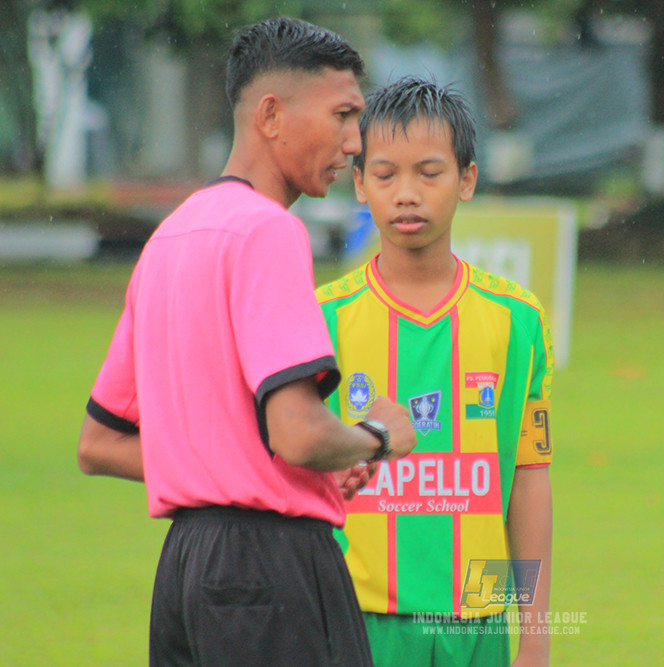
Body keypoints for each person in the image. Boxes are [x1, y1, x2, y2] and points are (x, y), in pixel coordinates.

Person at [77, 17, 417, 666]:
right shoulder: (268, 232)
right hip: (272, 568)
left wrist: (236, 464)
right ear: (270, 115)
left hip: (185, 572)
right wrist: (378, 436)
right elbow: (298, 433)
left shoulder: (170, 238)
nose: (355, 142)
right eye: (343, 115)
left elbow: (100, 442)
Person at [315, 76, 554, 666]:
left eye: (429, 172)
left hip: (478, 623)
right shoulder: (323, 319)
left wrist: (536, 635)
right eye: (386, 174)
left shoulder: (516, 319)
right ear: (361, 185)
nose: (407, 194)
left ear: (466, 179)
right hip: (358, 619)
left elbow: (528, 480)